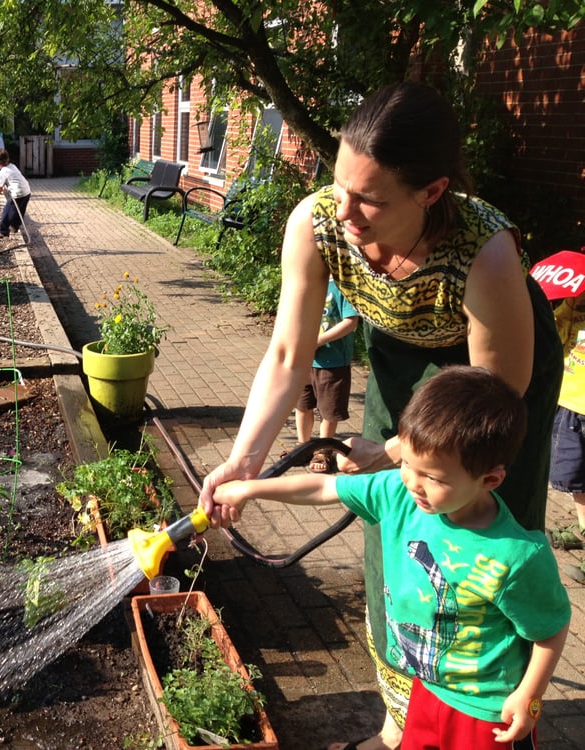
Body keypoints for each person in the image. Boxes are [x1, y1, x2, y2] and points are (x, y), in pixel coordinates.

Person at [198, 81, 563, 750]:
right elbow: (288, 355)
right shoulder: (317, 223)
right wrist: (244, 461)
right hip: (402, 352)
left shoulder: (485, 249)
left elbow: (496, 388)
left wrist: (397, 450)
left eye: (370, 199)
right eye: (340, 185)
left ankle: (496, 702)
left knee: (474, 520)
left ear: (431, 192)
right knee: (393, 517)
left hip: (495, 383)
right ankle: (405, 706)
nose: (346, 211)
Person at [208, 366, 570, 750]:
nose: (414, 482)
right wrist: (250, 489)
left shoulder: (516, 556)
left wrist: (529, 695)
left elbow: (550, 628)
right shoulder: (399, 493)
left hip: (485, 713)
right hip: (426, 690)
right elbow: (324, 488)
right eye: (407, 463)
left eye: (434, 478)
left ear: (490, 480)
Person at [296, 277, 359, 473]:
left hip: (333, 362)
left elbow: (351, 322)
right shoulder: (308, 281)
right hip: (305, 359)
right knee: (302, 405)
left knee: (328, 411)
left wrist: (318, 340)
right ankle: (302, 447)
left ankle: (324, 450)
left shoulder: (343, 285)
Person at [548, 287, 585, 558]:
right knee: (573, 475)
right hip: (573, 401)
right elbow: (555, 334)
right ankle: (583, 526)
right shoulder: (576, 298)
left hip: (575, 400)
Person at [0, 148, 31, 239]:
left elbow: (0, 189)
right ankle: (14, 226)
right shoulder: (13, 166)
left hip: (18, 193)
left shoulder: (2, 172)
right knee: (20, 210)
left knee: (7, 212)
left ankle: (3, 231)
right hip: (26, 191)